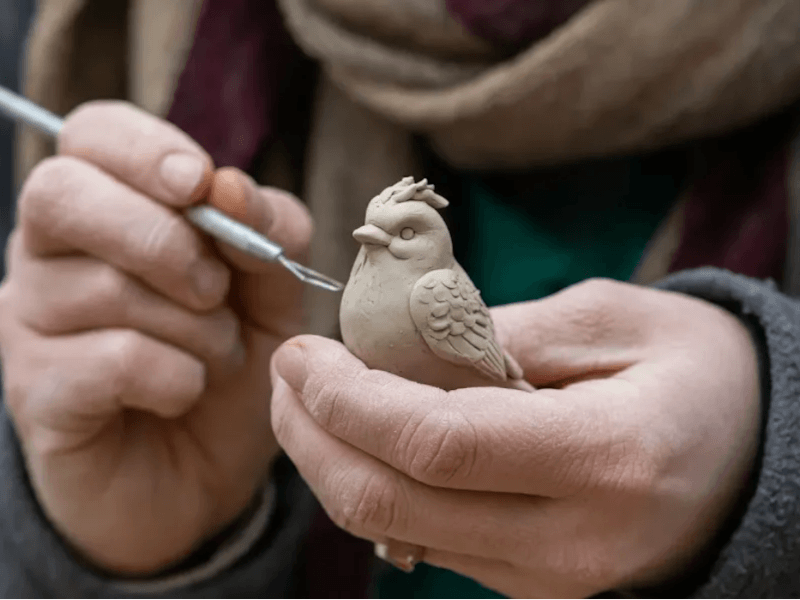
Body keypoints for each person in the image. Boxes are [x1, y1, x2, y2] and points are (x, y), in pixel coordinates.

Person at [0, 0, 798, 596]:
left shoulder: (439, 297)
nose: (369, 243)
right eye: (373, 234)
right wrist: (116, 555)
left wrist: (771, 465)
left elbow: (486, 358)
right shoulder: (78, 25)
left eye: (397, 236)